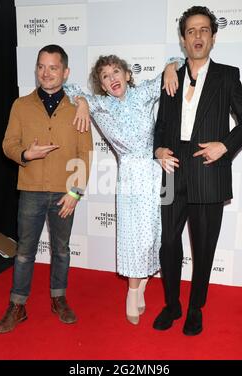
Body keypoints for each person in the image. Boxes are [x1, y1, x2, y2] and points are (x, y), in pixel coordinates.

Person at [153, 6, 242, 335]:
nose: (197, 36)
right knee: (168, 241)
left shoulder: (227, 76)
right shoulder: (170, 75)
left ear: (212, 38)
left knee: (204, 247)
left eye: (203, 30)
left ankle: (196, 307)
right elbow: (161, 124)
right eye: (190, 31)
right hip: (172, 169)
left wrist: (224, 146)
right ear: (183, 41)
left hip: (208, 169)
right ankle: (172, 304)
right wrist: (157, 149)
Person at [64, 55, 183, 325]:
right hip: (129, 176)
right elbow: (70, 89)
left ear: (127, 75)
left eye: (116, 72)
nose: (112, 78)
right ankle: (132, 292)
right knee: (134, 238)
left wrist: (170, 66)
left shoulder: (143, 94)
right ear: (102, 85)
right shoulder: (101, 106)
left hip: (158, 171)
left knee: (158, 236)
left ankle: (140, 288)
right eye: (105, 76)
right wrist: (82, 102)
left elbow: (177, 61)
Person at [0, 44, 93, 333]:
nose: (46, 73)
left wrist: (75, 192)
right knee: (25, 251)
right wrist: (26, 154)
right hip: (31, 190)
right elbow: (8, 144)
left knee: (61, 250)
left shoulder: (78, 108)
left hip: (65, 194)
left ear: (65, 72)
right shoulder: (21, 105)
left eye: (53, 67)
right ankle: (17, 305)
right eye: (41, 66)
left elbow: (85, 154)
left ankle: (59, 298)